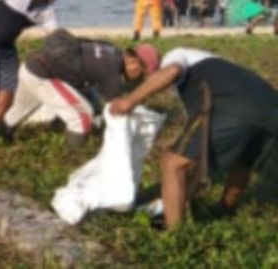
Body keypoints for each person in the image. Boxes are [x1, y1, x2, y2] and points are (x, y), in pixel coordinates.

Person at [110, 48, 278, 229]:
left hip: (230, 107)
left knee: (172, 163)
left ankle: (176, 234)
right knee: (242, 162)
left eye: (144, 78)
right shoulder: (214, 63)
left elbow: (172, 71)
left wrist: (129, 100)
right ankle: (224, 209)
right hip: (270, 108)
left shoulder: (175, 55)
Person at [3, 31, 160, 147]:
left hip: (30, 66)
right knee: (82, 116)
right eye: (143, 74)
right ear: (133, 62)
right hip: (43, 77)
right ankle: (71, 160)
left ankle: (2, 136)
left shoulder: (110, 50)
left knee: (21, 109)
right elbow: (116, 108)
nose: (140, 79)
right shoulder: (113, 71)